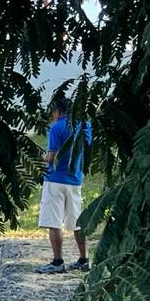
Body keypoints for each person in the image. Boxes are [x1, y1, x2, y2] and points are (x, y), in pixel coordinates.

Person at [35, 97, 93, 274]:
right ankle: (84, 259)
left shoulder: (57, 127)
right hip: (75, 179)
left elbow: (52, 158)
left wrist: (40, 157)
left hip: (55, 179)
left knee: (54, 222)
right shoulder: (85, 126)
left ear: (57, 111)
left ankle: (58, 261)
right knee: (77, 222)